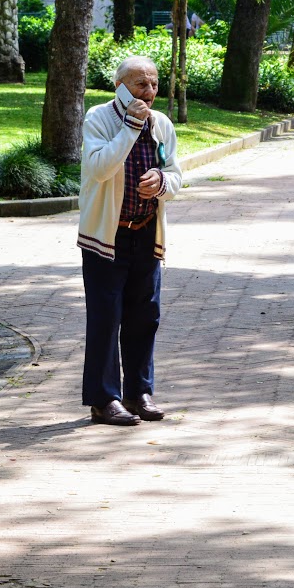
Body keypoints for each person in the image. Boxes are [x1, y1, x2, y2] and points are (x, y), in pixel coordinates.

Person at [78, 56, 184, 426]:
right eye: (141, 84)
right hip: (106, 237)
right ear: (120, 86)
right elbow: (100, 169)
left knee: (145, 317)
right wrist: (130, 127)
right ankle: (104, 400)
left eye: (154, 84)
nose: (150, 91)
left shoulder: (162, 124)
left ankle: (139, 393)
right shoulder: (99, 118)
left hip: (146, 232)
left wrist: (162, 181)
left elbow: (176, 174)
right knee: (106, 318)